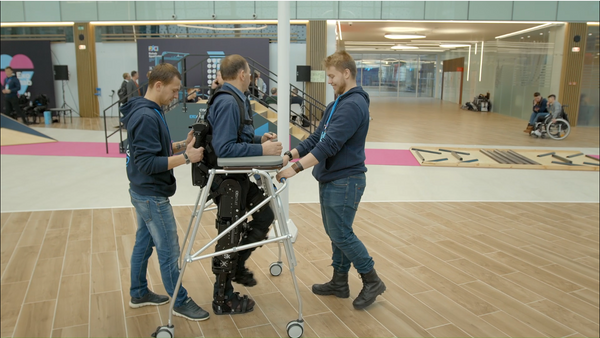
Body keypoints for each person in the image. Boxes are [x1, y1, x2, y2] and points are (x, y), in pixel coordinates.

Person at [276, 51, 386, 310]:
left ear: (346, 73)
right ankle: (339, 282)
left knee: (341, 233)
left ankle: (372, 280)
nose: (329, 81)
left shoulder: (353, 105)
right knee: (336, 233)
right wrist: (290, 155)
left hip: (346, 180)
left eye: (332, 76)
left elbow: (331, 145)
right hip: (333, 178)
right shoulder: (338, 102)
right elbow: (318, 138)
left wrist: (296, 168)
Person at [119, 63, 210, 321]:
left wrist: (183, 143)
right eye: (174, 90)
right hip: (151, 195)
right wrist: (186, 156)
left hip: (140, 191)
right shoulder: (147, 116)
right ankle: (180, 302)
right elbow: (148, 163)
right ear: (158, 86)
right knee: (169, 250)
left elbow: (154, 149)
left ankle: (138, 292)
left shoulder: (146, 110)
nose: (176, 96)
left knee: (143, 244)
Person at [207, 54, 283, 315]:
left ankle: (237, 266)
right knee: (230, 237)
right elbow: (225, 149)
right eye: (249, 72)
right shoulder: (228, 102)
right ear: (241, 74)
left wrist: (261, 139)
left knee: (265, 216)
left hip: (238, 178)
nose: (251, 76)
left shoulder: (234, 99)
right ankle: (223, 299)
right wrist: (262, 150)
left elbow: (238, 137)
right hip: (228, 182)